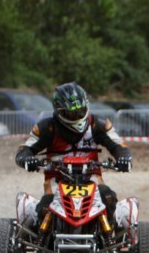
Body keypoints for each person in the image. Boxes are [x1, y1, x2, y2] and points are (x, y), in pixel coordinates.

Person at [14, 82, 132, 228]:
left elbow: (118, 145)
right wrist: (27, 159)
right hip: (57, 178)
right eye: (71, 113)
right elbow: (24, 149)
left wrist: (124, 158)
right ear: (59, 112)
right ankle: (43, 242)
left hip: (90, 177)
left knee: (107, 196)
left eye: (80, 111)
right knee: (47, 205)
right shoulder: (47, 128)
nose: (77, 116)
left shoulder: (98, 124)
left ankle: (109, 238)